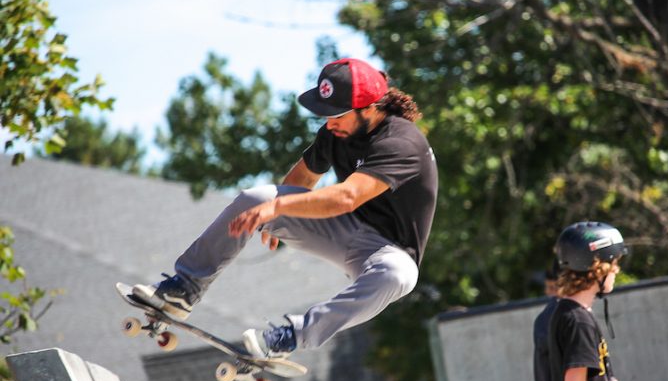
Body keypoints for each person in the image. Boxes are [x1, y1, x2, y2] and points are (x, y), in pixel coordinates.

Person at [132, 58, 438, 359]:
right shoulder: (334, 133)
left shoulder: (401, 142)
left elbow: (347, 196)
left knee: (398, 276)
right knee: (256, 199)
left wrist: (278, 208)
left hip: (386, 250)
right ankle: (185, 288)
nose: (329, 123)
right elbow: (302, 177)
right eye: (326, 115)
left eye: (339, 116)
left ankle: (292, 336)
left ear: (371, 108)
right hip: (341, 229)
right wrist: (280, 215)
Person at [546, 221, 660, 381]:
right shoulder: (577, 321)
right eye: (614, 263)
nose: (617, 270)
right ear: (597, 267)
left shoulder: (571, 314)